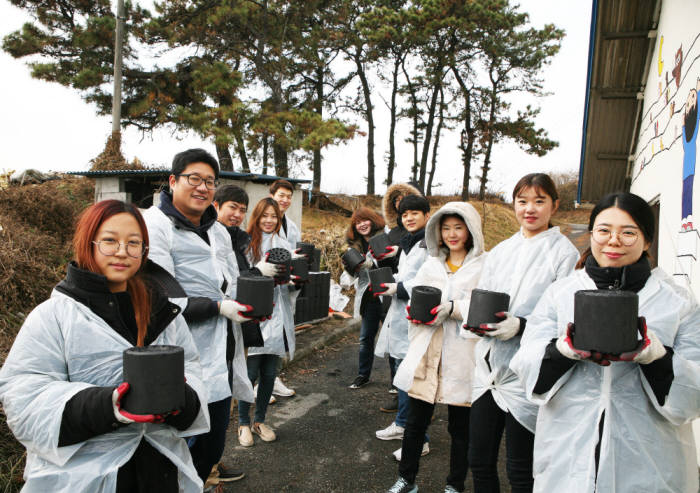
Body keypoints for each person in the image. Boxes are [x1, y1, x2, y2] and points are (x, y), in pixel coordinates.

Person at [0, 200, 209, 492]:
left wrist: (179, 400)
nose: (123, 251)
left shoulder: (161, 313)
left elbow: (194, 370)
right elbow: (23, 396)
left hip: (158, 469)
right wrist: (110, 405)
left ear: (144, 251)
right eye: (110, 241)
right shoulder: (55, 316)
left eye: (134, 243)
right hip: (83, 478)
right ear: (89, 243)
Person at [510, 192, 700, 493]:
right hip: (569, 446)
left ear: (647, 241)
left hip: (649, 456)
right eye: (604, 230)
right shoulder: (560, 293)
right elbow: (525, 362)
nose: (614, 240)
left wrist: (656, 356)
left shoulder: (676, 301)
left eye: (628, 232)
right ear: (591, 234)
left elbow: (696, 387)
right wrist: (562, 351)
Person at [142, 149, 258, 486]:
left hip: (220, 349)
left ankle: (199, 480)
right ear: (173, 181)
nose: (202, 187)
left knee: (213, 439)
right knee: (176, 444)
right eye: (194, 179)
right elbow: (159, 296)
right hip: (176, 354)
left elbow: (231, 281)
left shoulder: (216, 230)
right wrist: (217, 307)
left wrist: (249, 302)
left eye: (209, 181)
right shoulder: (155, 225)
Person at [465, 173, 579, 493]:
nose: (530, 209)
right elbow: (484, 294)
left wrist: (522, 326)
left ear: (554, 205)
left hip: (528, 374)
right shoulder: (501, 251)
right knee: (480, 460)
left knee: (521, 468)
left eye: (539, 201)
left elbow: (566, 318)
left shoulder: (564, 253)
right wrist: (475, 320)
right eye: (522, 201)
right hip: (489, 371)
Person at [386, 202, 486, 493]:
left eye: (458, 227)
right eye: (446, 228)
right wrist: (415, 314)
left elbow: (486, 305)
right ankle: (407, 479)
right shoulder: (431, 264)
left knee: (460, 427)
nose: (452, 234)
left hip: (462, 354)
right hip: (428, 351)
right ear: (438, 232)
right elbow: (417, 297)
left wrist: (454, 309)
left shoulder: (484, 265)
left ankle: (455, 484)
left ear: (470, 230)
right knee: (416, 422)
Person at [237, 198, 303, 447]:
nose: (269, 220)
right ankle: (243, 422)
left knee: (269, 374)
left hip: (278, 316)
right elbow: (240, 280)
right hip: (255, 317)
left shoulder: (285, 245)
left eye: (273, 216)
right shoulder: (245, 244)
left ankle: (260, 420)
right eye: (264, 215)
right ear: (256, 216)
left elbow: (291, 283)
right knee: (250, 373)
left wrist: (295, 283)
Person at [374, 195, 431, 459]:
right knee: (399, 372)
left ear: (426, 215)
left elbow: (429, 282)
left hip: (417, 318)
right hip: (400, 317)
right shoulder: (409, 243)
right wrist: (391, 280)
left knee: (413, 379)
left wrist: (398, 287)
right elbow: (408, 275)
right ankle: (401, 423)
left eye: (414, 213)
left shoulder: (430, 243)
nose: (408, 218)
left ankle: (421, 439)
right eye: (405, 214)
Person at [342, 206, 387, 389]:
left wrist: (372, 263)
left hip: (387, 293)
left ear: (373, 220)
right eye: (357, 223)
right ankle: (363, 375)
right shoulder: (354, 246)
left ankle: (396, 382)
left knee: (392, 337)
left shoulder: (385, 238)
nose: (362, 225)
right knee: (365, 338)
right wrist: (350, 267)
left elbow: (393, 264)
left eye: (365, 220)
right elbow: (351, 276)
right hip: (369, 297)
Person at [269, 179, 301, 398]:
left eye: (288, 196)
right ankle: (255, 385)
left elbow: (296, 254)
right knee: (263, 336)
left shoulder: (292, 226)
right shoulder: (264, 220)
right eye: (281, 195)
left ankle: (273, 378)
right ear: (272, 195)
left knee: (280, 335)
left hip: (286, 287)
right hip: (266, 287)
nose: (285, 200)